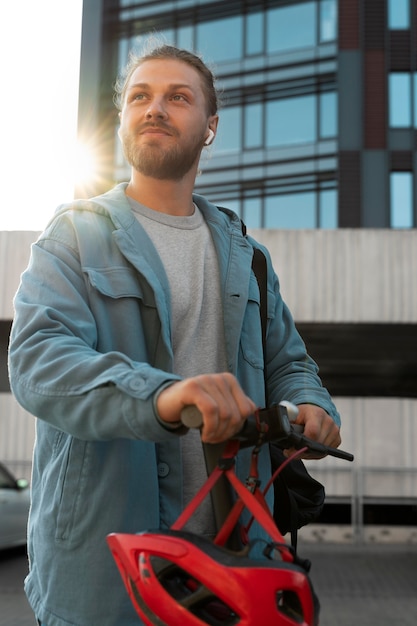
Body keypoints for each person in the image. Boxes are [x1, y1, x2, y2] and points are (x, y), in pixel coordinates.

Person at [8, 41, 341, 626]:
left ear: (210, 128)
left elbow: (291, 363)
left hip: (233, 570)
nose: (155, 108)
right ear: (122, 121)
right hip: (105, 575)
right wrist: (160, 396)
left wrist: (310, 403)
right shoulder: (74, 236)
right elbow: (38, 363)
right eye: (141, 96)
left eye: (177, 97)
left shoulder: (250, 256)